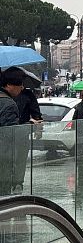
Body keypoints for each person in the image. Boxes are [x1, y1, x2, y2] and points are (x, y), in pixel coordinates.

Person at [11, 86, 43, 193]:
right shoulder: (5, 94)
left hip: (22, 132)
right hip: (7, 132)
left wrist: (38, 129)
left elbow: (36, 112)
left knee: (20, 158)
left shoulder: (28, 94)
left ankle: (18, 183)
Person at [0, 67, 24, 195]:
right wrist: (30, 126)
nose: (22, 88)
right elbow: (9, 134)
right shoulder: (9, 104)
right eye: (19, 84)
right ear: (9, 85)